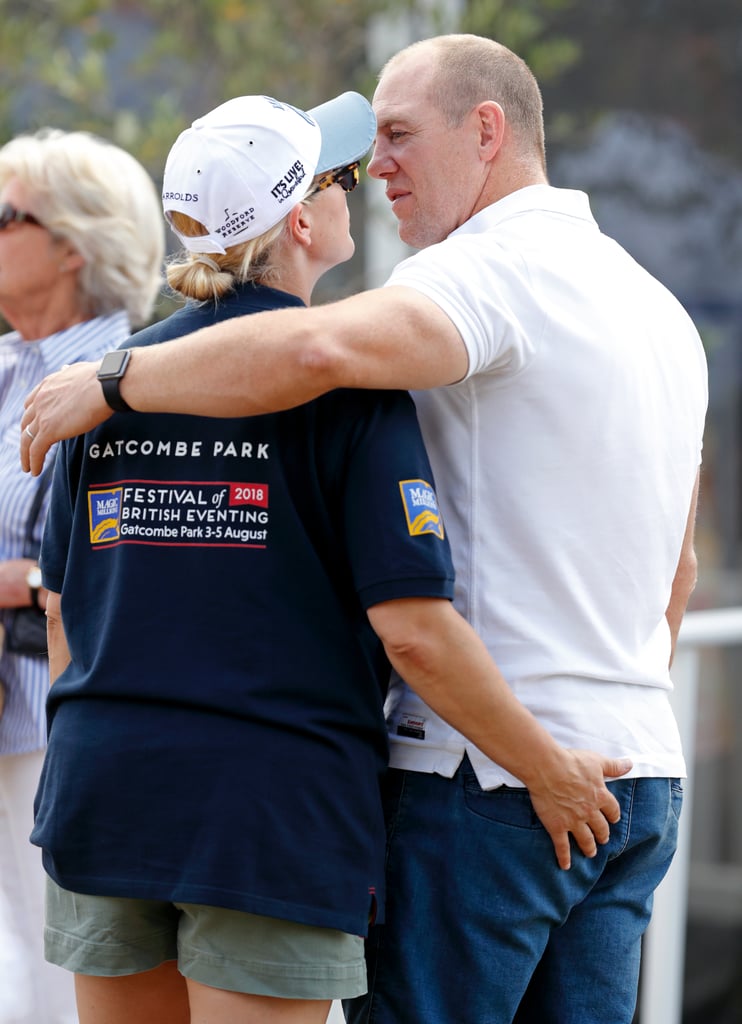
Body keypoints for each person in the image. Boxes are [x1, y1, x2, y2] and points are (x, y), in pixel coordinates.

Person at [16, 32, 704, 1023]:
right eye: (352, 157)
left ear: (486, 129)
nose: (373, 168)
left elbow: (66, 604)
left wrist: (116, 380)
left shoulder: (434, 303)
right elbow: (674, 571)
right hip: (613, 769)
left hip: (463, 777)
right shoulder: (656, 311)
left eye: (393, 136)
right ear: (300, 218)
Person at [0, 127, 164, 1024]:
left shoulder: (133, 381)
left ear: (71, 244)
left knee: (63, 966)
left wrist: (20, 584)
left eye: (4, 214)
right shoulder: (7, 366)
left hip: (63, 713)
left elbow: (126, 564)